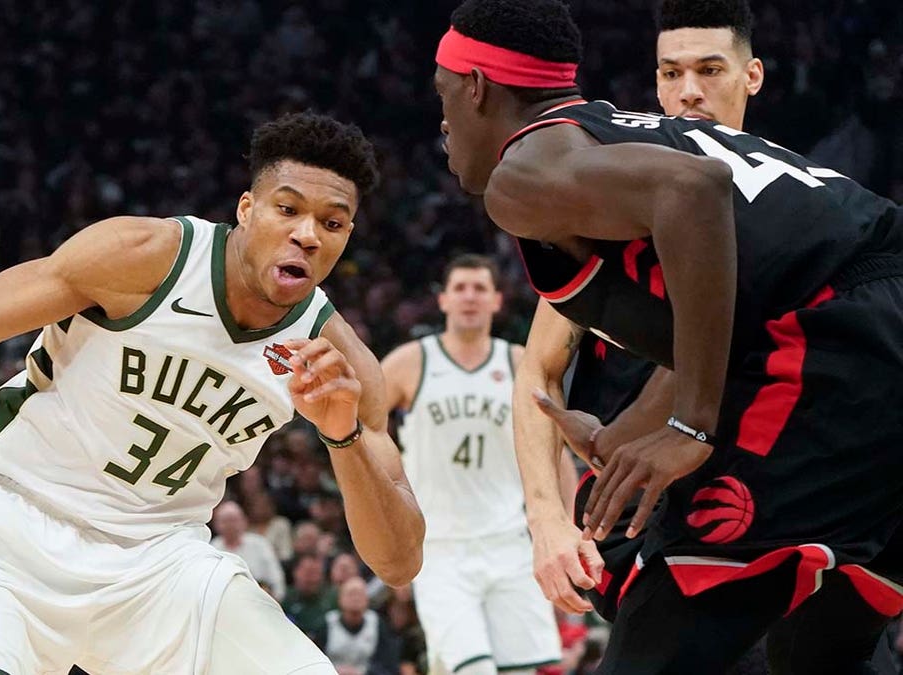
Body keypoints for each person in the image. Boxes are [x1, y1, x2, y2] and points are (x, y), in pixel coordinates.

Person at [0, 112, 425, 674]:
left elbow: (398, 563)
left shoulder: (339, 361)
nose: (309, 235)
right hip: (13, 527)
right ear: (247, 209)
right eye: (288, 210)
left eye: (332, 223)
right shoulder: (146, 258)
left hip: (162, 564)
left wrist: (341, 435)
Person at [433, 1, 903, 673]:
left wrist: (691, 425)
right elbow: (725, 319)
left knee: (658, 641)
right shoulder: (627, 138)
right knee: (823, 649)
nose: (442, 123)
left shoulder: (526, 174)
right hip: (864, 325)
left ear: (475, 85)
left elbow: (693, 189)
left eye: (443, 94)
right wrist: (633, 427)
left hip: (837, 341)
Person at [514, 0, 763, 621]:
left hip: (756, 502)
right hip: (632, 520)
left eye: (710, 70)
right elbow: (538, 373)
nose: (689, 93)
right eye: (671, 74)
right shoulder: (611, 199)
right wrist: (546, 519)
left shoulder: (792, 201)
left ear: (751, 76)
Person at [380, 254, 563, 674]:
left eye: (479, 288)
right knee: (471, 669)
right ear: (443, 300)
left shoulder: (521, 364)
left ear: (497, 300)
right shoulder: (410, 362)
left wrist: (562, 527)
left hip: (510, 542)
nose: (469, 297)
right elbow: (365, 436)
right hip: (439, 547)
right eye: (460, 288)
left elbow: (553, 452)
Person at [316, 577, 400, 675]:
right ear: (340, 599)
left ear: (367, 600)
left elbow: (388, 664)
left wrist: (362, 672)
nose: (355, 598)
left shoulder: (376, 623)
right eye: (351, 594)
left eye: (360, 594)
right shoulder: (327, 624)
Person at [210, 500, 286, 600]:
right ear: (216, 525)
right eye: (225, 521)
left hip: (259, 597)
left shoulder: (260, 544)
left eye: (233, 520)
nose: (230, 525)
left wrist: (277, 598)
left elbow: (275, 576)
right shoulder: (212, 548)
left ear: (244, 522)